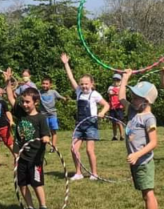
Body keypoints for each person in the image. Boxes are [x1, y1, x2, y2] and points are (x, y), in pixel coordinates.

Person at [119, 69, 160, 209]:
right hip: (137, 162)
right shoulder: (133, 111)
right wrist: (125, 78)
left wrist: (137, 155)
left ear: (146, 101)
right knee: (146, 193)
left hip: (143, 162)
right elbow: (121, 97)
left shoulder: (148, 118)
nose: (132, 99)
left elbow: (154, 142)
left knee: (148, 194)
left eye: (136, 97)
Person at [4, 68, 50, 209]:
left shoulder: (41, 118)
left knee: (37, 183)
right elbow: (10, 97)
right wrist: (7, 82)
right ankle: (30, 206)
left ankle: (43, 206)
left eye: (28, 102)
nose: (24, 104)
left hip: (35, 157)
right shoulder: (20, 113)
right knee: (22, 183)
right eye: (23, 101)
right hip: (20, 155)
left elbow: (46, 135)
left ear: (35, 102)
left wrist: (46, 138)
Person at [61, 53, 110, 181]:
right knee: (73, 149)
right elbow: (70, 77)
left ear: (92, 84)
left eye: (86, 84)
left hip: (91, 125)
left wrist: (102, 112)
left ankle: (94, 173)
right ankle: (78, 173)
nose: (84, 86)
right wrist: (66, 64)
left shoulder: (95, 94)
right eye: (82, 84)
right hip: (79, 124)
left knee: (89, 150)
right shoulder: (78, 92)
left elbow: (106, 104)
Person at [39, 76, 67, 151]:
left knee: (53, 131)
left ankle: (53, 147)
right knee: (44, 132)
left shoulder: (53, 92)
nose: (45, 85)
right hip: (43, 115)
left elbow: (61, 97)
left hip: (52, 114)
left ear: (50, 85)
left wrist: (65, 99)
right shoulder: (39, 93)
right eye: (43, 83)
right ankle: (42, 148)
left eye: (46, 84)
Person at [107, 74, 125, 141]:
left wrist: (115, 92)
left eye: (117, 80)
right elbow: (109, 93)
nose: (116, 82)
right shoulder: (110, 87)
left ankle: (122, 135)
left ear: (120, 81)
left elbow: (122, 94)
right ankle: (115, 136)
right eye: (114, 80)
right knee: (113, 122)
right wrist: (116, 93)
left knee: (119, 122)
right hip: (112, 107)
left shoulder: (121, 88)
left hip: (119, 107)